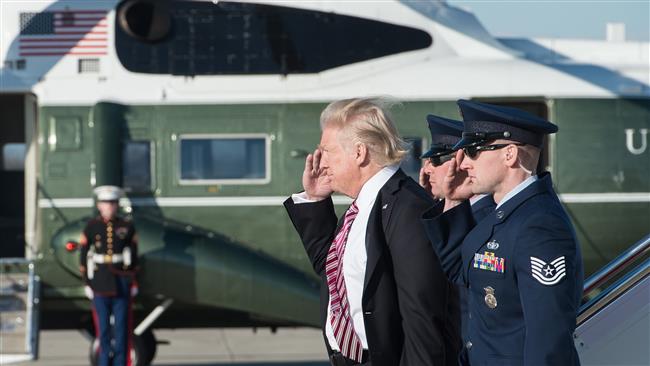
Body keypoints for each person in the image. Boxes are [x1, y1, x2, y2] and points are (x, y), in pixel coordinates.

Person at [284, 97, 459, 366]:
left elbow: (421, 316)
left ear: (359, 152)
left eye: (327, 151)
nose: (321, 160)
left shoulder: (407, 209)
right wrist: (316, 200)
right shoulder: (363, 205)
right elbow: (333, 273)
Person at [422, 100, 583, 366]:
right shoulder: (505, 214)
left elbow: (548, 338)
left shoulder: (539, 225)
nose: (463, 164)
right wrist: (453, 200)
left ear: (509, 155)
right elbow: (458, 270)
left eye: (473, 151)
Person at [418, 114, 495, 363]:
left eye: (437, 159)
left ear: (460, 162)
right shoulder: (458, 214)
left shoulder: (483, 220)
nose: (427, 168)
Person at [79, 185, 139, 366]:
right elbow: (83, 255)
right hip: (100, 283)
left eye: (113, 203)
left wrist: (133, 281)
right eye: (106, 203)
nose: (109, 206)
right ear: (99, 206)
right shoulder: (92, 227)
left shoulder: (126, 226)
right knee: (103, 330)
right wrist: (87, 282)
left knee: (121, 329)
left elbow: (134, 256)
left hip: (121, 282)